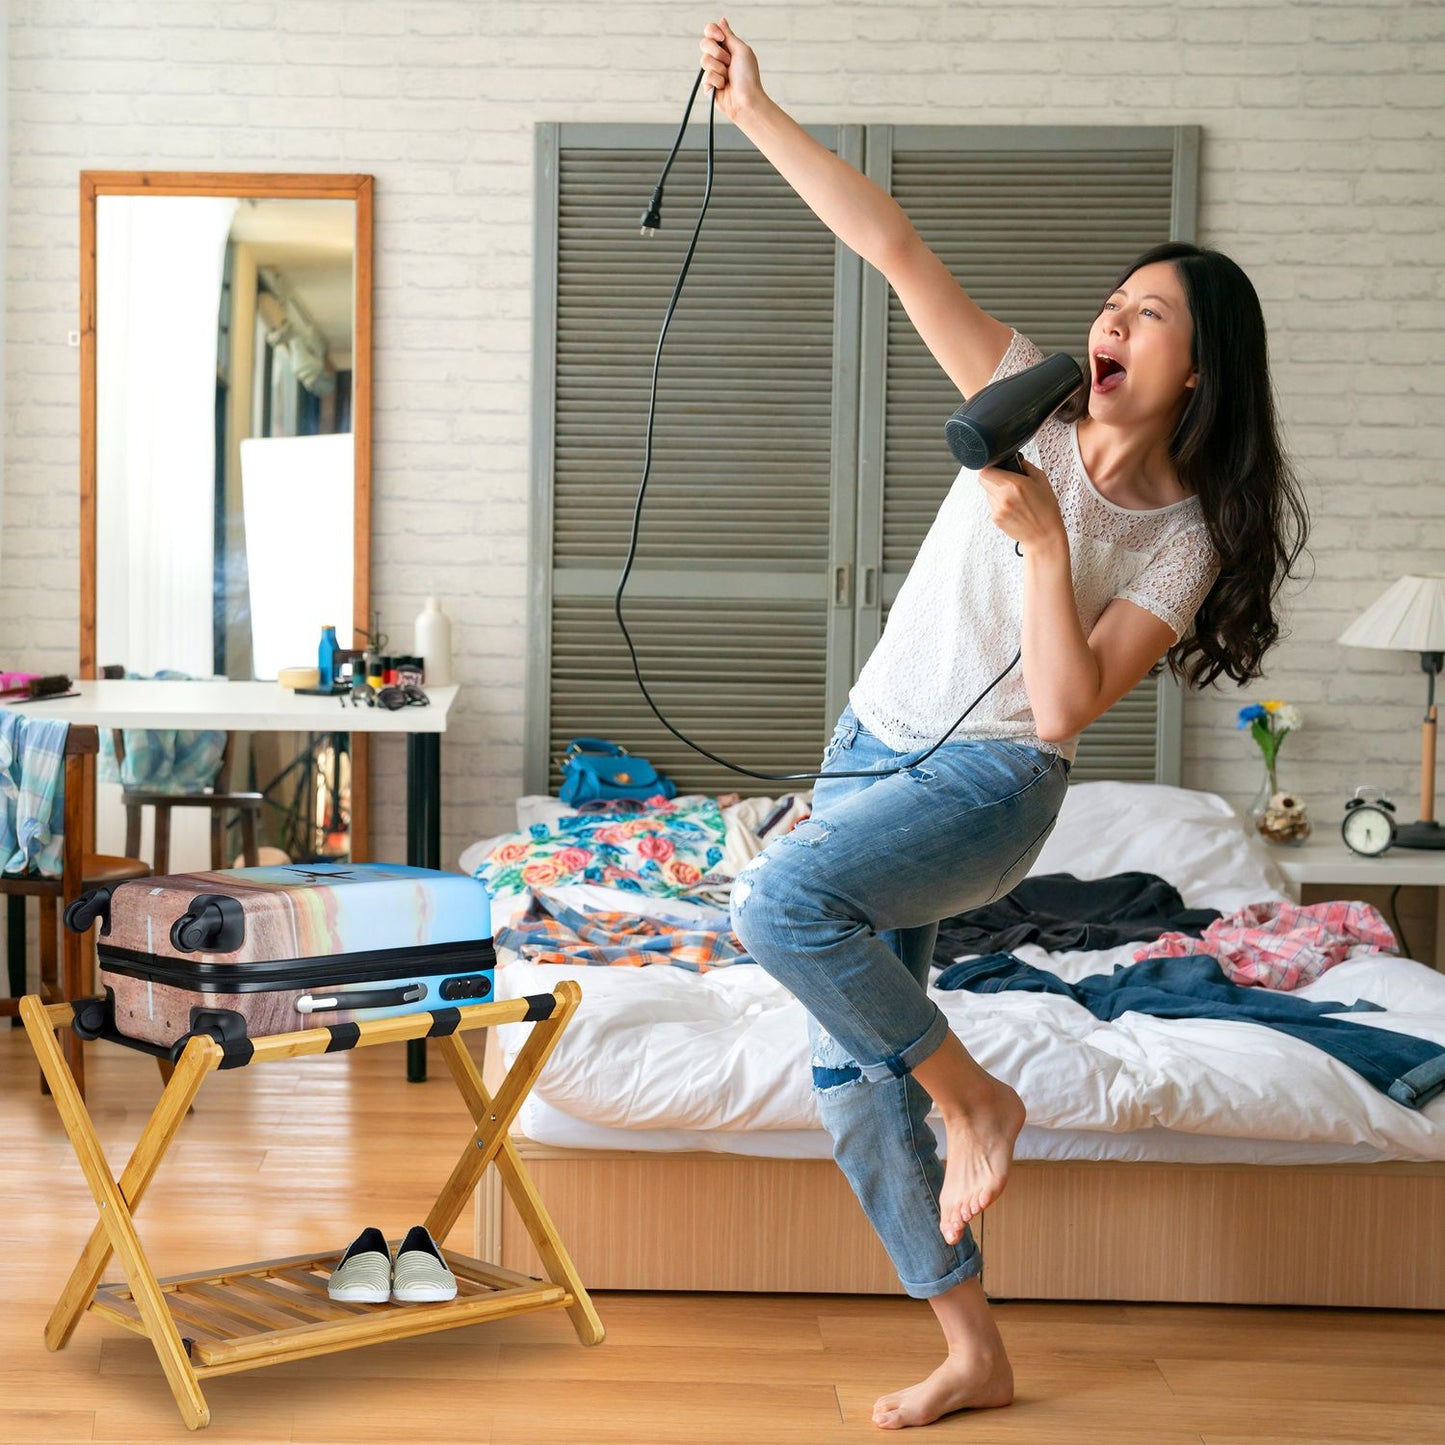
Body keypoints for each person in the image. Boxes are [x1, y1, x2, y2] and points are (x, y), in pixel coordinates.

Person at [699, 16, 1310, 1434]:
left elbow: (1061, 707)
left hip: (989, 788)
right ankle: (972, 1345)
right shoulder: (1025, 402)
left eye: (1149, 314)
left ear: (1198, 367)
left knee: (776, 904)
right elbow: (894, 245)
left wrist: (1044, 546)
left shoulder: (1185, 537)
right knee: (854, 1080)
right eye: (1114, 301)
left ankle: (976, 1099)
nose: (1112, 322)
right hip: (868, 750)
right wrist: (758, 119)